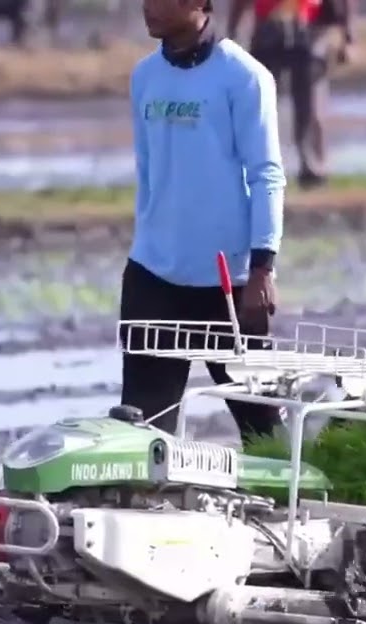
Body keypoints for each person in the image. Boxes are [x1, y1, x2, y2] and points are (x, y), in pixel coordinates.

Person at [120, 0, 285, 442]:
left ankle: (285, 505)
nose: (147, 7)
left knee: (262, 426)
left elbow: (267, 174)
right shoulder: (144, 78)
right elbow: (149, 173)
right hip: (153, 278)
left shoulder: (244, 77)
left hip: (228, 286)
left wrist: (262, 267)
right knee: (144, 428)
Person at [226, 0, 356, 189]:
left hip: (308, 25)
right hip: (268, 27)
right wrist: (233, 33)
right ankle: (258, 165)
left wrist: (348, 35)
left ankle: (311, 165)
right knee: (262, 103)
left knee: (309, 102)